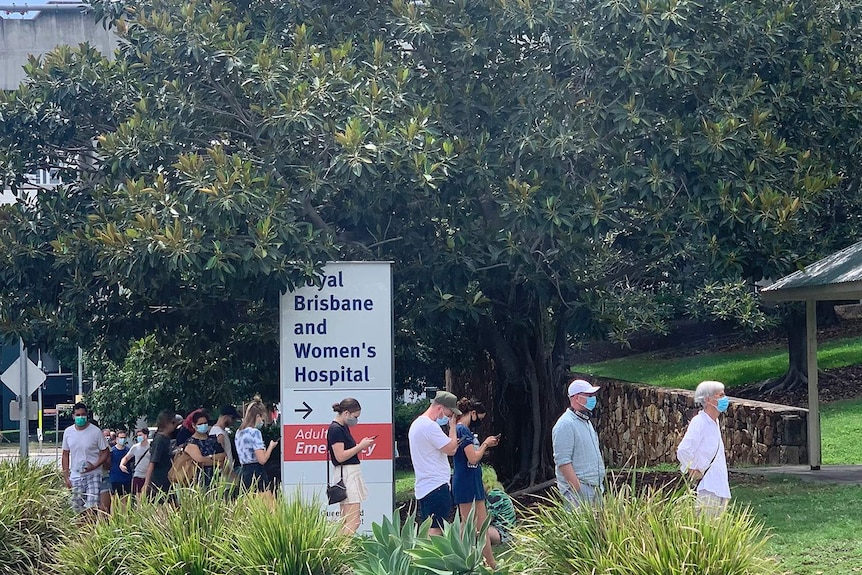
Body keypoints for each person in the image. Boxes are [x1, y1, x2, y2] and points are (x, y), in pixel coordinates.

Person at [452, 398, 499, 569]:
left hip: (473, 479)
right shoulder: (462, 430)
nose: (479, 421)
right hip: (465, 481)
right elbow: (472, 457)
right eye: (479, 417)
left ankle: (489, 561)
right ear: (472, 413)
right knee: (468, 523)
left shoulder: (464, 431)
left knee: (482, 523)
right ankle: (465, 559)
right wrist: (486, 444)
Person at [408, 390, 461, 535]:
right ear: (440, 408)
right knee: (436, 529)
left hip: (424, 486)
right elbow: (451, 449)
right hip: (436, 486)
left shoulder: (416, 424)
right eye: (449, 414)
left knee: (428, 526)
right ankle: (433, 557)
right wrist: (453, 427)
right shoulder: (430, 426)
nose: (448, 418)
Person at [677, 380, 732, 516]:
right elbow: (683, 450)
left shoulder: (714, 422)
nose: (724, 399)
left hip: (720, 487)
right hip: (707, 489)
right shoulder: (699, 422)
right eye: (720, 395)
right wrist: (692, 470)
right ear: (708, 400)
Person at [552, 378, 606, 507]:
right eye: (588, 395)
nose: (593, 398)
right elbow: (563, 461)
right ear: (577, 397)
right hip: (580, 490)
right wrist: (577, 489)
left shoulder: (585, 421)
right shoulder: (565, 424)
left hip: (595, 487)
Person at [326, 398, 376, 534]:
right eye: (355, 417)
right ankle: (340, 552)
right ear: (346, 413)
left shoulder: (342, 427)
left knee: (346, 521)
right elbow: (340, 456)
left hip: (348, 473)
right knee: (353, 522)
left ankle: (339, 551)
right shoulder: (336, 429)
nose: (356, 420)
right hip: (347, 474)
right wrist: (360, 446)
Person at [61, 402, 110, 514]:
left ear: (87, 415)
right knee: (77, 509)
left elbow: (105, 452)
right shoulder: (68, 432)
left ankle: (91, 528)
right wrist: (66, 477)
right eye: (78, 415)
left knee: (92, 506)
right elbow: (65, 454)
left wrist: (95, 465)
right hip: (76, 476)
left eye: (83, 414)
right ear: (73, 416)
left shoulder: (95, 432)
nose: (80, 417)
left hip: (93, 475)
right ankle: (81, 529)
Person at [235, 401, 279, 491]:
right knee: (268, 503)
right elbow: (262, 460)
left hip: (244, 471)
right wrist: (271, 447)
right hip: (256, 472)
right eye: (262, 420)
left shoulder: (239, 432)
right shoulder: (255, 432)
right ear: (258, 416)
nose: (262, 423)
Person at [183, 410, 226, 486]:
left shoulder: (213, 439)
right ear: (194, 425)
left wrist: (209, 457)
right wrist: (217, 462)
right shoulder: (191, 442)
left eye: (205, 423)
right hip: (198, 481)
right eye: (200, 424)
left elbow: (223, 456)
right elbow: (200, 461)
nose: (203, 425)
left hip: (215, 480)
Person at [142, 409, 177, 501]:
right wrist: (146, 484)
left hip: (168, 479)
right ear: (167, 423)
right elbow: (152, 462)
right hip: (159, 481)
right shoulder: (159, 440)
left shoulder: (166, 438)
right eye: (173, 423)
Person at [482, 467, 516, 546]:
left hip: (503, 533)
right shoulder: (496, 492)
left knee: (478, 530)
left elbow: (488, 519)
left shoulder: (494, 495)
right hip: (502, 530)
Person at [120, 428, 152, 496]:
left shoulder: (152, 446)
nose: (138, 437)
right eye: (137, 436)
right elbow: (126, 457)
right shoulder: (135, 447)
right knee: (139, 499)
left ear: (146, 435)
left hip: (149, 476)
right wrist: (122, 464)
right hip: (138, 475)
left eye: (140, 435)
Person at [211, 405, 241, 476]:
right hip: (225, 473)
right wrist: (231, 474)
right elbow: (221, 456)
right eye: (232, 418)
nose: (233, 421)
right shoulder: (219, 434)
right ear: (226, 417)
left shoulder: (218, 431)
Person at [109, 430, 133, 498]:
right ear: (116, 438)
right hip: (115, 479)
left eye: (124, 437)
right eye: (121, 437)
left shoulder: (129, 451)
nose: (123, 439)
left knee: (126, 499)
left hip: (127, 479)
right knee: (115, 500)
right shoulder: (112, 451)